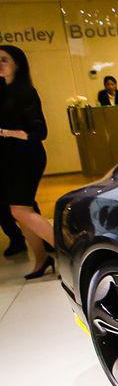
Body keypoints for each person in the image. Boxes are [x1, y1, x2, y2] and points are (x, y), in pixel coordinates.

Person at [0, 45, 55, 279]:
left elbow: (40, 132)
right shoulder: (2, 91)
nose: (0, 64)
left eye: (4, 59)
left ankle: (69, 252)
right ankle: (42, 259)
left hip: (27, 157)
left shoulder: (25, 92)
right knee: (22, 211)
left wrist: (6, 132)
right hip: (8, 160)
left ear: (17, 64)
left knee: (19, 209)